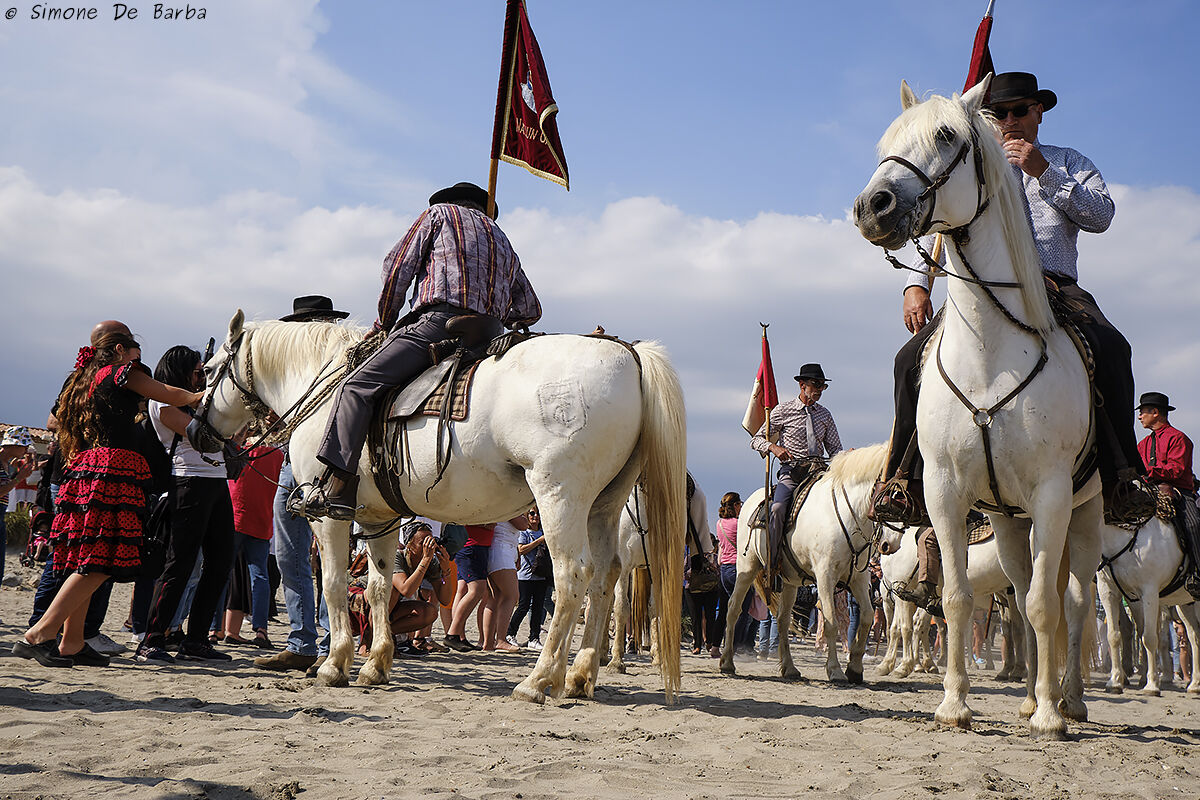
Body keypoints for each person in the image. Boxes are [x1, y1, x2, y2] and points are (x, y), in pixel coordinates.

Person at [872, 71, 1152, 527]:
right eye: (998, 113)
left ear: (1038, 111)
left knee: (1113, 348)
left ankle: (1124, 477)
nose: (1009, 120)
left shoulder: (1067, 160)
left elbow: (1101, 216)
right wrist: (916, 283)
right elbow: (938, 214)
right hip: (979, 290)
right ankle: (903, 480)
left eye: (1020, 110)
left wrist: (1043, 172)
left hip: (1055, 284)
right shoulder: (970, 163)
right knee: (908, 361)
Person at [301, 182, 541, 519]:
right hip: (487, 338)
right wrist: (494, 317)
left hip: (438, 326)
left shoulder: (438, 215)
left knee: (356, 387)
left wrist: (385, 321)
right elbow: (531, 308)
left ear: (450, 201)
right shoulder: (502, 238)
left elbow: (396, 269)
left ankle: (340, 486)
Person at [15, 328, 203, 667]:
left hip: (86, 470)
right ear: (120, 349)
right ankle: (39, 634)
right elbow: (167, 394)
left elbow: (54, 421)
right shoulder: (123, 372)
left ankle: (72, 641)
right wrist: (197, 395)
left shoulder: (81, 381)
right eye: (135, 349)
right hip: (112, 471)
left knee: (85, 557)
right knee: (102, 561)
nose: (140, 357)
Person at [254, 296, 347, 674]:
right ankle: (303, 640)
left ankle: (326, 641)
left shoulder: (337, 363)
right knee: (289, 555)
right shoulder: (290, 371)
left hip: (322, 466)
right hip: (292, 465)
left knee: (329, 556)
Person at [135, 346, 236, 663]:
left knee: (221, 563)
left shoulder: (191, 402)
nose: (201, 377)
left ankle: (196, 640)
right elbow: (203, 436)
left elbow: (226, 435)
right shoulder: (162, 401)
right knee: (178, 564)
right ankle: (152, 638)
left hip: (215, 482)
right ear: (180, 372)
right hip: (188, 482)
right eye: (196, 371)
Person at [750, 364, 842, 582]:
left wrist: (846, 457)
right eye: (816, 385)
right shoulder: (782, 411)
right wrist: (774, 448)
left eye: (823, 386)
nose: (820, 390)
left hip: (819, 473)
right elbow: (756, 439)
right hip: (792, 472)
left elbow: (835, 449)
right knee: (779, 507)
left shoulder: (825, 415)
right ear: (802, 385)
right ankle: (773, 564)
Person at [1135, 392, 1200, 598]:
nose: (1139, 417)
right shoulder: (1142, 444)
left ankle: (1197, 573)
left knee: (1193, 523)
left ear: (1155, 413)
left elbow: (1177, 469)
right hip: (1149, 492)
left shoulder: (1179, 438)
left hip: (1179, 492)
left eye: (1142, 412)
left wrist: (1148, 472)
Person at [390, 521, 455, 654]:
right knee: (393, 590)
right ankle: (372, 635)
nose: (428, 547)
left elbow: (445, 599)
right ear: (409, 545)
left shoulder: (430, 561)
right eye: (422, 543)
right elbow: (406, 590)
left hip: (394, 610)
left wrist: (446, 570)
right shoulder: (397, 556)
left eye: (430, 542)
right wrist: (425, 560)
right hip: (367, 607)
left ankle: (388, 634)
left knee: (429, 612)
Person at [715, 492, 755, 654]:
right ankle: (732, 646)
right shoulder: (739, 524)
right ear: (736, 505)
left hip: (724, 569)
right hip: (737, 568)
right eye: (740, 504)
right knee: (741, 612)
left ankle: (715, 646)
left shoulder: (719, 523)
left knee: (724, 609)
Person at [444, 523, 495, 651]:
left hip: (472, 546)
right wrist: (486, 522)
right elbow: (469, 518)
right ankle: (453, 634)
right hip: (472, 546)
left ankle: (458, 636)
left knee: (462, 590)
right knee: (477, 589)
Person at [506, 506, 548, 650]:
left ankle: (534, 638)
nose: (535, 516)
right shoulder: (524, 532)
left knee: (538, 608)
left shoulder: (544, 532)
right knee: (523, 606)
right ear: (526, 515)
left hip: (542, 575)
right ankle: (510, 634)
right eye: (531, 513)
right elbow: (521, 549)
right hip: (525, 575)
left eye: (537, 513)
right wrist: (539, 541)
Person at [0, 427, 37, 588]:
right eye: (24, 446)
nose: (26, 450)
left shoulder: (7, 464)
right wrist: (19, 478)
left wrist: (18, 474)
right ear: (13, 445)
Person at [480, 513, 523, 652]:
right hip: (501, 549)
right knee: (511, 595)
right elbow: (523, 524)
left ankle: (488, 643)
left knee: (495, 598)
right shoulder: (509, 506)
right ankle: (501, 639)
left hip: (503, 549)